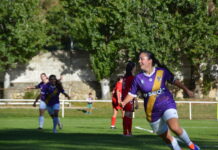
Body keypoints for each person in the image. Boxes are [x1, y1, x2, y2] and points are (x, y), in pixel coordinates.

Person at [121, 51, 200, 150]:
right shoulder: (138, 78)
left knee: (174, 127)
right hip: (152, 112)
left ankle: (191, 145)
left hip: (167, 103)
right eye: (139, 59)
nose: (139, 61)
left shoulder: (162, 72)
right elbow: (132, 94)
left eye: (142, 59)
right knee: (166, 138)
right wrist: (123, 102)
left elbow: (174, 81)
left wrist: (186, 90)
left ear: (150, 61)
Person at [122, 61, 138, 136]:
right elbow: (133, 90)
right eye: (135, 67)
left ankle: (125, 132)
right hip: (129, 99)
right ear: (132, 68)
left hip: (124, 98)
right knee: (129, 115)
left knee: (126, 115)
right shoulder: (132, 78)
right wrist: (136, 101)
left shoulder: (125, 78)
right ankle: (129, 132)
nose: (136, 68)